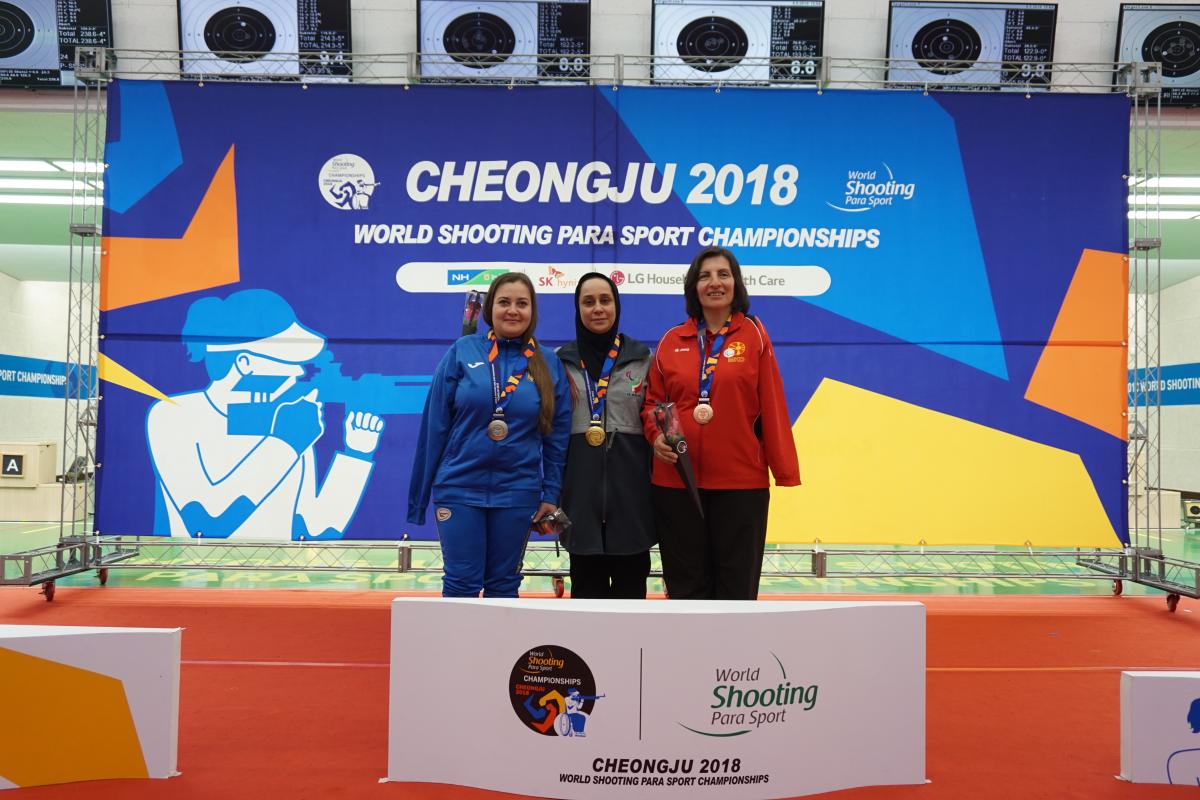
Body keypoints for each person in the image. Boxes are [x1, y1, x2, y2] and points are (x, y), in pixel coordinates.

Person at [147, 289, 384, 540]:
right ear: (244, 363)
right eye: (287, 360)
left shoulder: (285, 423)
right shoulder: (174, 415)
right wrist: (286, 442)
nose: (298, 372)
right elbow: (207, 522)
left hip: (276, 572)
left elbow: (317, 528)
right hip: (197, 571)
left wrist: (357, 454)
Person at [642, 246, 801, 600]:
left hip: (740, 483)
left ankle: (735, 658)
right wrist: (655, 436)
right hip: (678, 483)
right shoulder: (671, 341)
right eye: (705, 276)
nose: (714, 283)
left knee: (737, 591)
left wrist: (784, 470)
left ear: (736, 284)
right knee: (686, 589)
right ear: (693, 287)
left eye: (723, 275)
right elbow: (653, 402)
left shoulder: (754, 335)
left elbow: (772, 403)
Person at [408, 272, 571, 597]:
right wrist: (419, 499)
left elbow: (556, 439)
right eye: (504, 302)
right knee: (461, 583)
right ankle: (456, 650)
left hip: (517, 492)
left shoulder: (547, 363)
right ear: (489, 310)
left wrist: (550, 495)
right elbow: (434, 426)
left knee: (504, 585)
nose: (513, 310)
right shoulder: (463, 352)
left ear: (532, 311)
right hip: (459, 488)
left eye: (522, 303)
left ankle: (500, 651)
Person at [556, 273, 656, 599]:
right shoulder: (559, 363)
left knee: (632, 610)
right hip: (580, 510)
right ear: (577, 309)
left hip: (632, 510)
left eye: (605, 300)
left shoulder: (644, 360)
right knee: (585, 611)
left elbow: (658, 424)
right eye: (588, 302)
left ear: (617, 306)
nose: (597, 309)